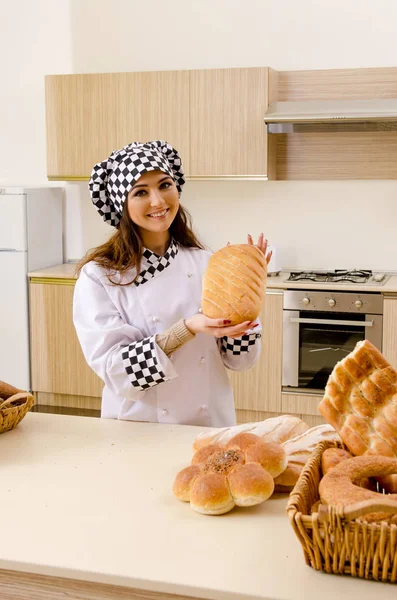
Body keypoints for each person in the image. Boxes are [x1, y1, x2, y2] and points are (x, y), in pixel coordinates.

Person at [73, 140, 271, 427]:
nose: (158, 201)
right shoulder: (101, 276)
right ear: (122, 204)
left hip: (209, 423)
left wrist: (244, 297)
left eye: (165, 185)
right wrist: (186, 329)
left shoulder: (206, 262)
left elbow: (240, 362)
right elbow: (116, 370)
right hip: (139, 426)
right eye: (141, 192)